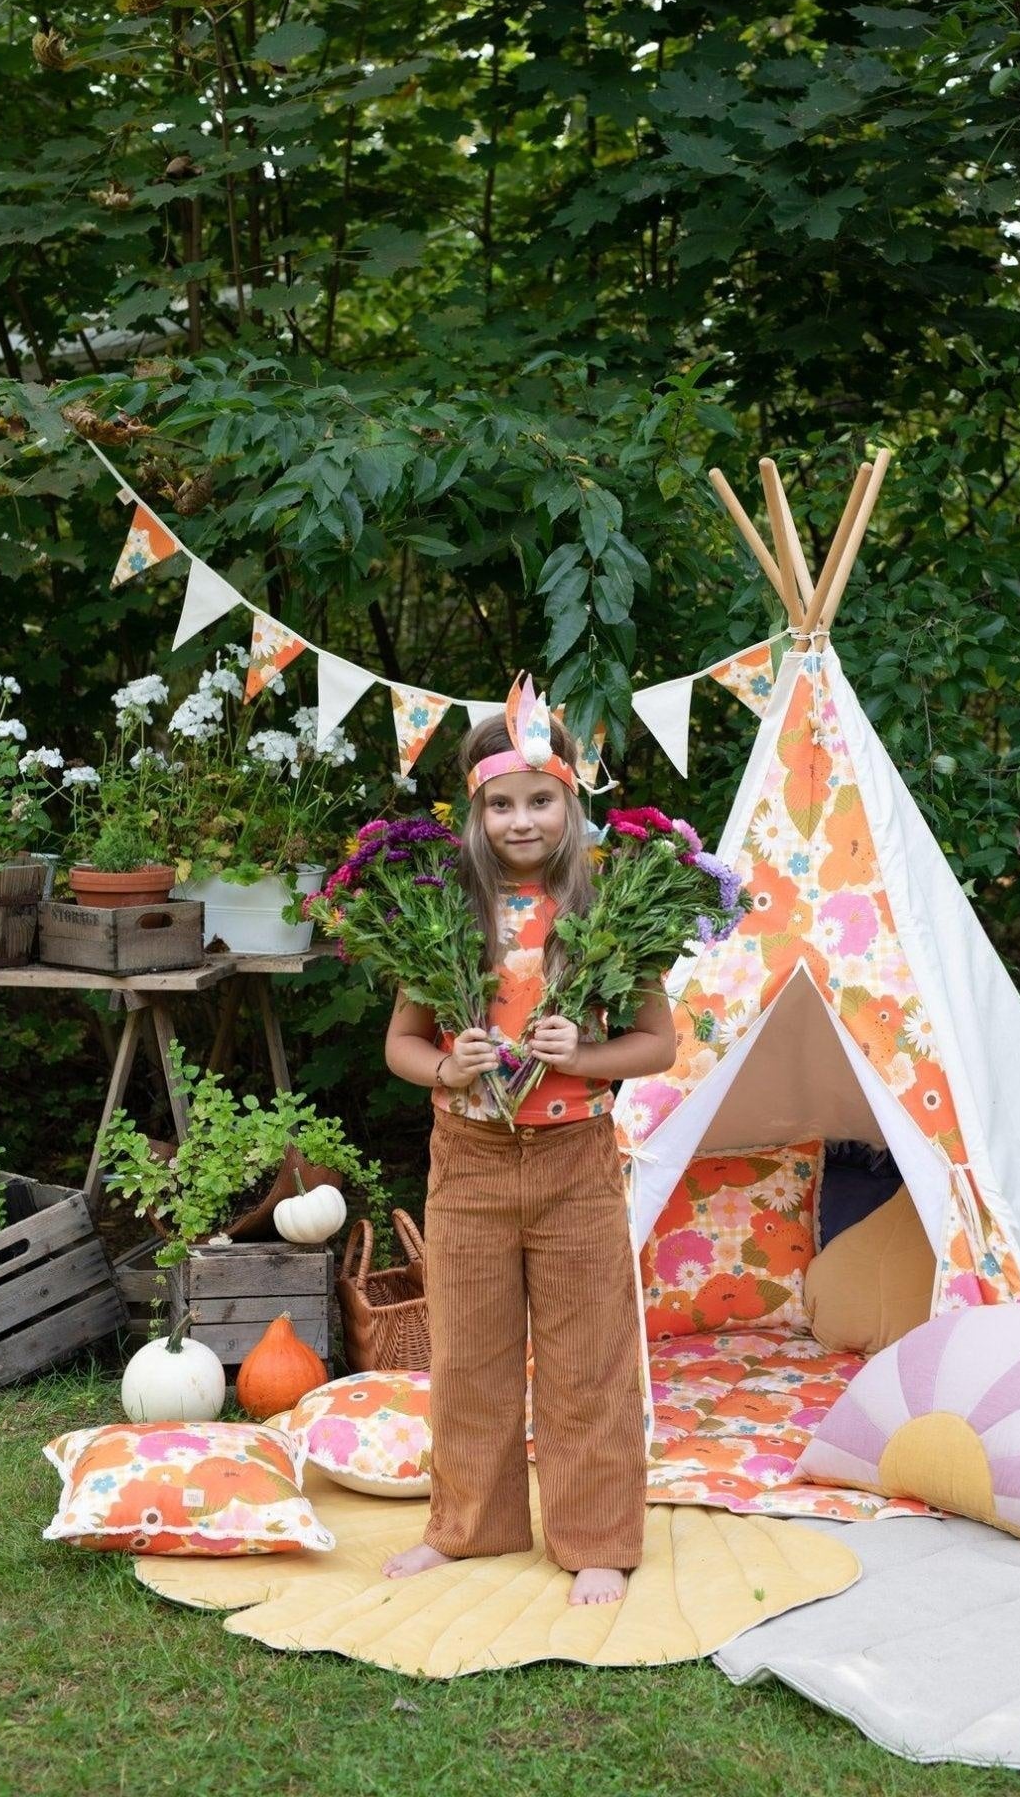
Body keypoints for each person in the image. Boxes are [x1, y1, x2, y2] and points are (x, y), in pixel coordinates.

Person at [382, 678, 676, 1606]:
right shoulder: (444, 910)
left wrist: (586, 1053)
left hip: (574, 1164)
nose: (521, 820)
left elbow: (659, 1044)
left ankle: (595, 1537)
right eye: (501, 803)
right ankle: (468, 1526)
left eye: (539, 800)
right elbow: (400, 1043)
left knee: (589, 1356)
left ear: (570, 802)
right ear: (475, 810)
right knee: (468, 1353)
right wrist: (448, 1067)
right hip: (466, 1161)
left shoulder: (610, 908)